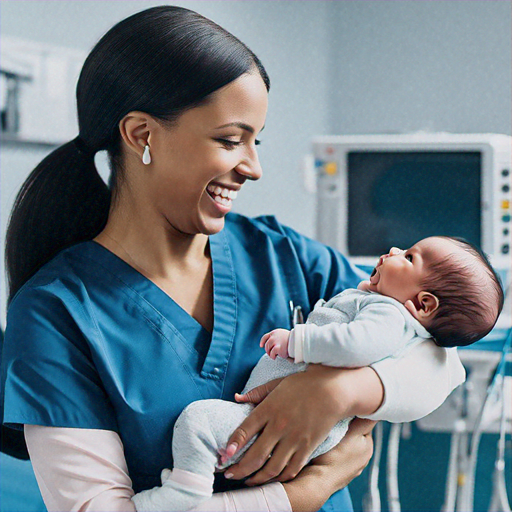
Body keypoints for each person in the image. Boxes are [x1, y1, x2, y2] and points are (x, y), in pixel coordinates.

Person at [0, 6, 466, 512]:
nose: (254, 168)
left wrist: (346, 391)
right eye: (230, 139)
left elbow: (442, 357)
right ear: (141, 134)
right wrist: (299, 495)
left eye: (256, 141)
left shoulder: (286, 257)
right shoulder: (57, 314)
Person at [131, 236, 503, 511]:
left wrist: (316, 362)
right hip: (300, 453)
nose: (392, 251)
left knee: (197, 422)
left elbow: (437, 364)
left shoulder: (387, 312)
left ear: (423, 304)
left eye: (408, 257)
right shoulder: (373, 298)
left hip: (296, 431)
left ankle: (184, 494)